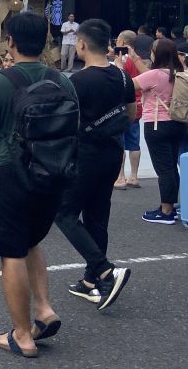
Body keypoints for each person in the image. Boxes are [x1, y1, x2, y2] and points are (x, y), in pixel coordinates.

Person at [0, 12, 77, 358]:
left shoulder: (0, 81)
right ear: (46, 41)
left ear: (11, 42)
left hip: (10, 173)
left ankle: (22, 335)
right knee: (31, 241)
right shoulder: (63, 80)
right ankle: (43, 310)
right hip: (52, 173)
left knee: (11, 251)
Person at [57, 18, 135, 310]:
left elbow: (70, 122)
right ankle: (92, 282)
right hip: (113, 153)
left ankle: (104, 269)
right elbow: (132, 114)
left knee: (64, 213)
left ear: (82, 44)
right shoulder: (123, 77)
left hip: (84, 154)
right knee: (98, 215)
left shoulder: (77, 81)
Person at [136, 39, 185, 224]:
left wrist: (118, 65)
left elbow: (129, 85)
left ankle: (166, 212)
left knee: (163, 170)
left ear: (158, 54)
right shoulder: (179, 73)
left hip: (157, 124)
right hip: (177, 123)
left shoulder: (155, 74)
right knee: (172, 167)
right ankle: (170, 206)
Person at [113, 31, 146, 190]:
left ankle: (120, 177)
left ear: (123, 41)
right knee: (134, 143)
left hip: (122, 105)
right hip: (138, 105)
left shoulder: (122, 60)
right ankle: (134, 176)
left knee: (119, 142)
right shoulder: (139, 60)